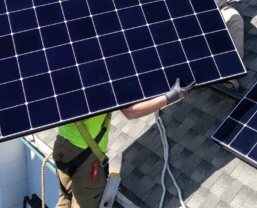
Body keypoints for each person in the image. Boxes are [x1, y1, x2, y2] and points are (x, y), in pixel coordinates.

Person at [53, 79, 193, 208]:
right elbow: (131, 112)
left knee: (65, 199)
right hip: (85, 157)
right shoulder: (105, 78)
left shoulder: (73, 72)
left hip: (61, 147)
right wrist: (171, 96)